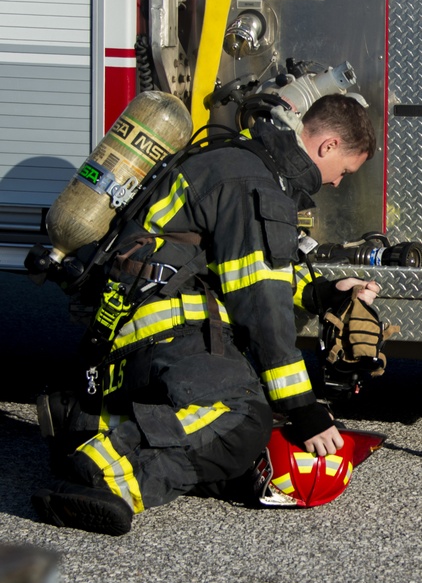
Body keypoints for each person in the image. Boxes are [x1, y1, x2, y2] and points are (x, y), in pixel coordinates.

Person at [32, 93, 379, 536]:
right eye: (345, 172)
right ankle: (103, 474)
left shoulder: (239, 162)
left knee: (227, 420)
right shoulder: (256, 185)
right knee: (242, 419)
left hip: (129, 336)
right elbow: (261, 307)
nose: (336, 184)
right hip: (163, 331)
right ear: (328, 146)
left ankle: (85, 423)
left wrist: (324, 293)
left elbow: (244, 272)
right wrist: (302, 407)